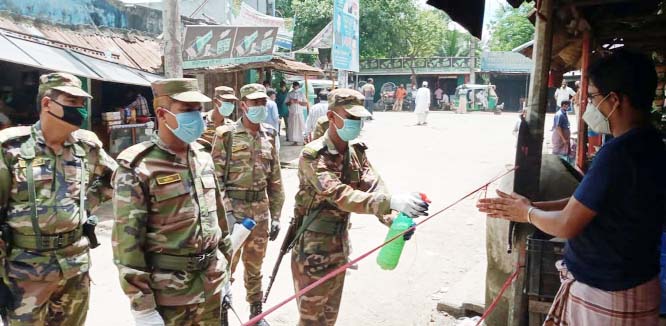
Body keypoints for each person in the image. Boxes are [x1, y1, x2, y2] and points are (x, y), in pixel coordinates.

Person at [477, 50, 666, 325]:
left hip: (608, 297)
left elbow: (567, 224)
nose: (588, 105)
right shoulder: (651, 144)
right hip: (634, 285)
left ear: (615, 100)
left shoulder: (618, 154)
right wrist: (531, 206)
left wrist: (527, 214)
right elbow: (584, 203)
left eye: (593, 97)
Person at [291, 88, 430, 325]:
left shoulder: (355, 153)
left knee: (329, 318)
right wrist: (391, 201)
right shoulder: (313, 156)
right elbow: (340, 194)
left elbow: (374, 187)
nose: (356, 123)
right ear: (332, 117)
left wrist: (395, 218)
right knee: (311, 320)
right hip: (313, 251)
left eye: (359, 119)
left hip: (339, 247)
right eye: (351, 117)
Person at [112, 78, 232, 325]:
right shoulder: (139, 167)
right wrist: (142, 307)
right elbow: (128, 245)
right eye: (187, 110)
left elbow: (219, 221)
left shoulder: (203, 156)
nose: (197, 117)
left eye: (198, 109)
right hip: (171, 296)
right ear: (161, 113)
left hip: (212, 283)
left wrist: (227, 274)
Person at [0, 72, 117, 324]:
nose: (80, 110)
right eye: (71, 102)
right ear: (46, 103)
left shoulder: (86, 147)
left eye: (81, 103)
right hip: (25, 273)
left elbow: (116, 179)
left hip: (74, 267)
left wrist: (85, 205)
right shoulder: (11, 148)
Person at [212, 84, 284, 326]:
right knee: (226, 266)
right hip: (234, 210)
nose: (260, 107)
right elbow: (216, 180)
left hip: (260, 211)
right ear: (243, 105)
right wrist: (228, 214)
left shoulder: (270, 134)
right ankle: (222, 314)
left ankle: (256, 313)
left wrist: (276, 215)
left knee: (255, 266)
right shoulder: (226, 134)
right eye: (254, 103)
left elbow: (275, 178)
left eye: (263, 103)